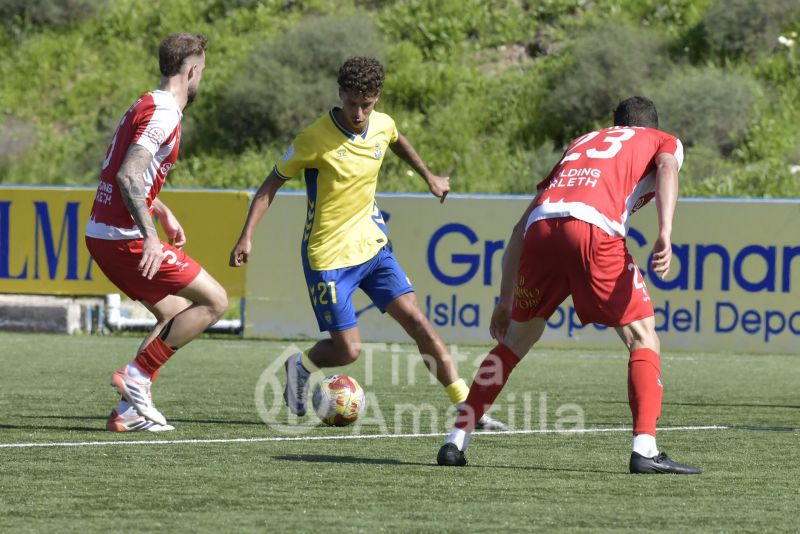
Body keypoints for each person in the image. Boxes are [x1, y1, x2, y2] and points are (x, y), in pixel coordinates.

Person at [229, 56, 506, 431]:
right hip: (328, 258)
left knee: (420, 323)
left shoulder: (382, 124)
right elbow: (269, 186)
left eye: (367, 104)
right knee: (348, 351)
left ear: (377, 98)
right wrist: (246, 235)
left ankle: (468, 408)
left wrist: (428, 176)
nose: (359, 113)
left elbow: (396, 139)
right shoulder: (313, 139)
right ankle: (301, 365)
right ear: (340, 94)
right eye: (352, 103)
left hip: (374, 249)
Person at [437, 96, 702, 474]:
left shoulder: (582, 142)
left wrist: (504, 299)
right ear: (650, 125)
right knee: (643, 336)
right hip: (593, 229)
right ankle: (645, 448)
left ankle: (455, 440)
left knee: (513, 341)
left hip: (540, 230)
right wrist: (665, 232)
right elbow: (666, 167)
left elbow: (519, 227)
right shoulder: (661, 139)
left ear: (615, 124)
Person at [85, 33, 228, 432]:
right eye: (202, 71)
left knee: (174, 312)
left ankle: (128, 412)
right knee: (215, 301)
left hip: (105, 233)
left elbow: (129, 171)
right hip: (124, 237)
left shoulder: (145, 103)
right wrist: (150, 235)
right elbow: (128, 175)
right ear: (192, 70)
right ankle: (137, 375)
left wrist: (162, 211)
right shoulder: (164, 113)